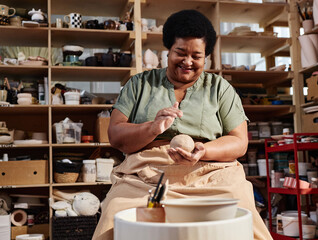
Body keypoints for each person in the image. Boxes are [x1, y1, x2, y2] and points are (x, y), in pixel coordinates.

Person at [92, 9, 272, 240]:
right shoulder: (139, 84)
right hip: (147, 175)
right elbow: (116, 136)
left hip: (211, 175)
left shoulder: (220, 88)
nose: (188, 62)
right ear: (168, 50)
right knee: (115, 215)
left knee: (244, 215)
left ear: (205, 57)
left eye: (196, 56)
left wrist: (204, 150)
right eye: (181, 52)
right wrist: (153, 128)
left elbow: (239, 142)